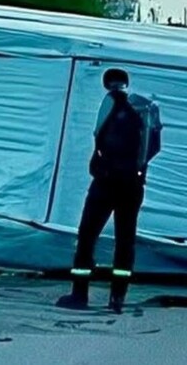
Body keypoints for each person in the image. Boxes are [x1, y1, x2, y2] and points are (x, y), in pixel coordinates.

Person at [56, 68, 163, 313]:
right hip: (134, 185)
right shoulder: (145, 109)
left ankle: (79, 294)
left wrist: (103, 164)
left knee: (87, 235)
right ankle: (117, 298)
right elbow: (154, 147)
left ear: (108, 84)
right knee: (125, 241)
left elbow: (102, 137)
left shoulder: (111, 102)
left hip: (106, 183)